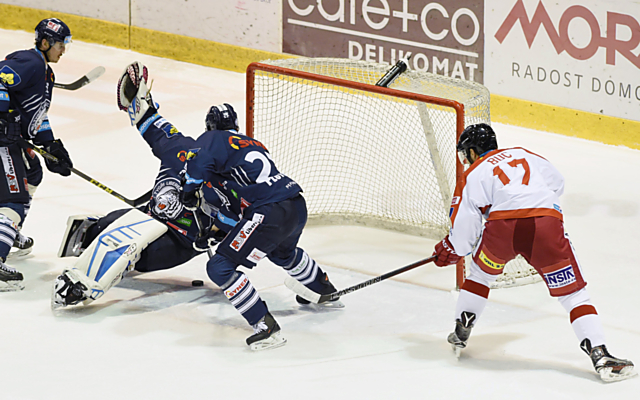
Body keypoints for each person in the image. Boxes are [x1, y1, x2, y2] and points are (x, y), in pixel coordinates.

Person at [432, 123, 636, 382]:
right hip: (545, 226)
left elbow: (463, 236)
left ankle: (461, 330)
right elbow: (557, 183)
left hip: (501, 231)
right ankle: (600, 354)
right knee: (573, 294)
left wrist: (450, 248)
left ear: (472, 152)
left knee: (480, 276)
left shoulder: (473, 174)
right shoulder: (523, 153)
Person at [51, 62, 235, 308]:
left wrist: (215, 236)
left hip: (178, 243)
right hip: (156, 223)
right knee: (105, 225)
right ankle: (97, 247)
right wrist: (140, 98)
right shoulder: (185, 147)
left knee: (129, 247)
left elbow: (244, 219)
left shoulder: (231, 172)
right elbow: (148, 118)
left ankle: (85, 282)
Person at [0, 18, 75, 291]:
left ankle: (8, 232)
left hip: (12, 138)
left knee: (33, 172)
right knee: (13, 199)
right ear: (45, 43)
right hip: (2, 139)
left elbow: (36, 115)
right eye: (60, 44)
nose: (63, 50)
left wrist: (51, 145)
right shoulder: (30, 62)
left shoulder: (46, 73)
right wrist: (2, 114)